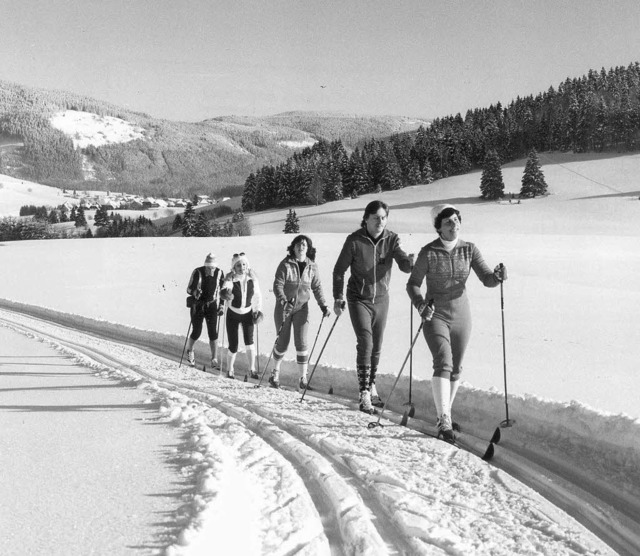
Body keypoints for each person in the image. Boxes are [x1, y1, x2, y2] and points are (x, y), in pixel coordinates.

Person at [406, 204, 507, 442]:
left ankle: (446, 413)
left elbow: (487, 279)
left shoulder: (469, 250)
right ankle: (443, 421)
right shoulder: (428, 252)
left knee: (456, 368)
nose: (455, 225)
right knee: (443, 362)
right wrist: (421, 304)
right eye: (449, 222)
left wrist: (498, 276)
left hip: (462, 315)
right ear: (438, 228)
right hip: (435, 314)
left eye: (456, 220)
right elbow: (413, 284)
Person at [333, 200, 413, 414]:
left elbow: (403, 264)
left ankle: (372, 385)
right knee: (366, 342)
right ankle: (364, 393)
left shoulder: (392, 239)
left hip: (381, 299)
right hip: (358, 298)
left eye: (384, 218)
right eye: (376, 217)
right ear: (366, 218)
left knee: (377, 345)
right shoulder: (354, 241)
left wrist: (410, 263)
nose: (380, 221)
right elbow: (339, 271)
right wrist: (337, 297)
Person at [270, 235, 331, 389]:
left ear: (308, 248)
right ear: (293, 247)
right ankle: (274, 374)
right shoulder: (285, 264)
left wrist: (323, 305)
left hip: (302, 308)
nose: (301, 247)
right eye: (298, 244)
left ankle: (303, 379)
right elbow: (278, 284)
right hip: (284, 308)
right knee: (282, 343)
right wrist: (283, 300)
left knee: (302, 342)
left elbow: (316, 287)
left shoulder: (312, 266)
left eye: (304, 244)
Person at [220, 252, 263, 379]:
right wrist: (225, 293)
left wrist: (257, 310)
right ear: (234, 267)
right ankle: (229, 370)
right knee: (233, 344)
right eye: (238, 265)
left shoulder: (252, 279)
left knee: (249, 342)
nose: (242, 267)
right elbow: (224, 290)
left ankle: (252, 369)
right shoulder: (231, 279)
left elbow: (258, 296)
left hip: (247, 314)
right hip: (233, 314)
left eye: (244, 264)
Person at [185, 253, 225, 368]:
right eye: (208, 268)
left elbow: (222, 291)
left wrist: (221, 305)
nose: (210, 270)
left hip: (212, 305)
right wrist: (194, 292)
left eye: (212, 268)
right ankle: (190, 351)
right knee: (197, 331)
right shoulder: (198, 272)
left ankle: (214, 358)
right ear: (205, 266)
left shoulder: (220, 273)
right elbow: (188, 288)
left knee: (213, 332)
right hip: (198, 305)